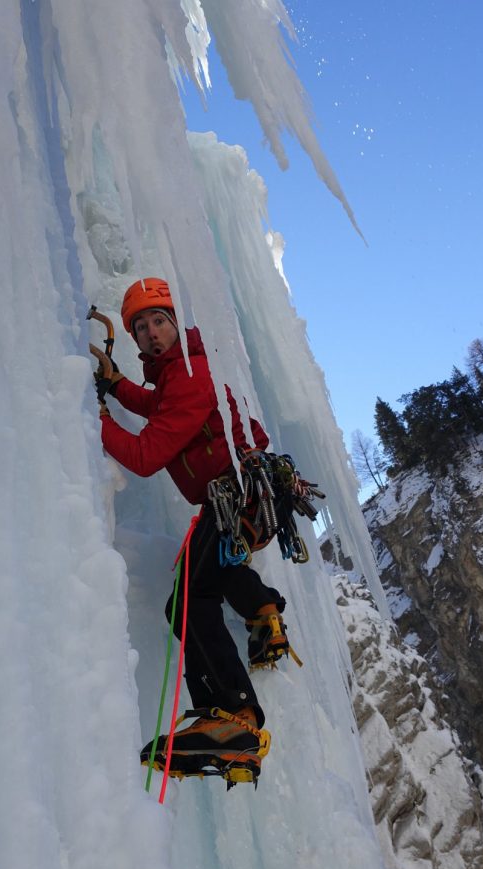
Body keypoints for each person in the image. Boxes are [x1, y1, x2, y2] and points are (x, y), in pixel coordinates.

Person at [89, 278, 294, 784]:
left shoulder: (188, 376)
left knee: (186, 601)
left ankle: (234, 719)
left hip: (234, 494)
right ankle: (262, 619)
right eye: (141, 327)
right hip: (243, 495)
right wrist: (116, 387)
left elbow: (144, 455)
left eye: (159, 321)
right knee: (208, 574)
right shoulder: (181, 375)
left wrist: (90, 417)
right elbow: (161, 408)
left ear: (176, 325)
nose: (152, 333)